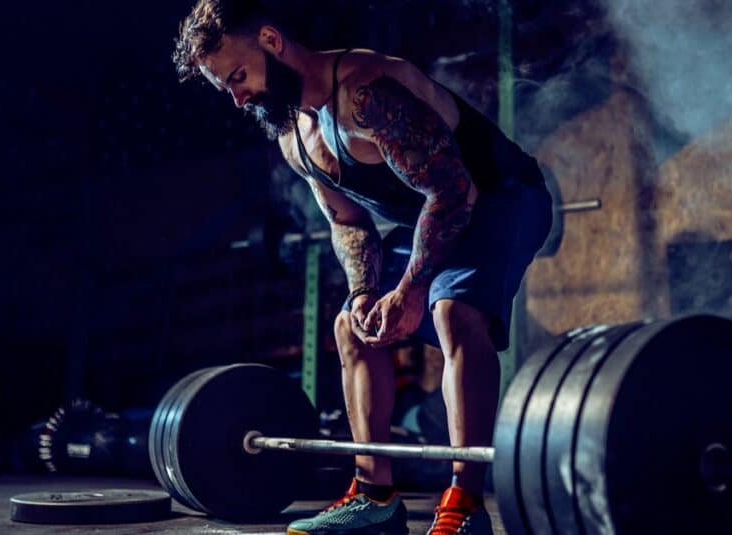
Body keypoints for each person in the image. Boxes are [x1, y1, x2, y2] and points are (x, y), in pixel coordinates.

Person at [173, 1, 551, 533]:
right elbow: (349, 224)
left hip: (503, 198)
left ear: (272, 41)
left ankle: (465, 504)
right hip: (438, 212)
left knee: (451, 311)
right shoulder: (294, 139)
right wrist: (367, 294)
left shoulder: (365, 92)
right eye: (227, 89)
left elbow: (453, 191)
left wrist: (412, 290)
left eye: (238, 76)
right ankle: (374, 497)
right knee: (351, 325)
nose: (237, 99)